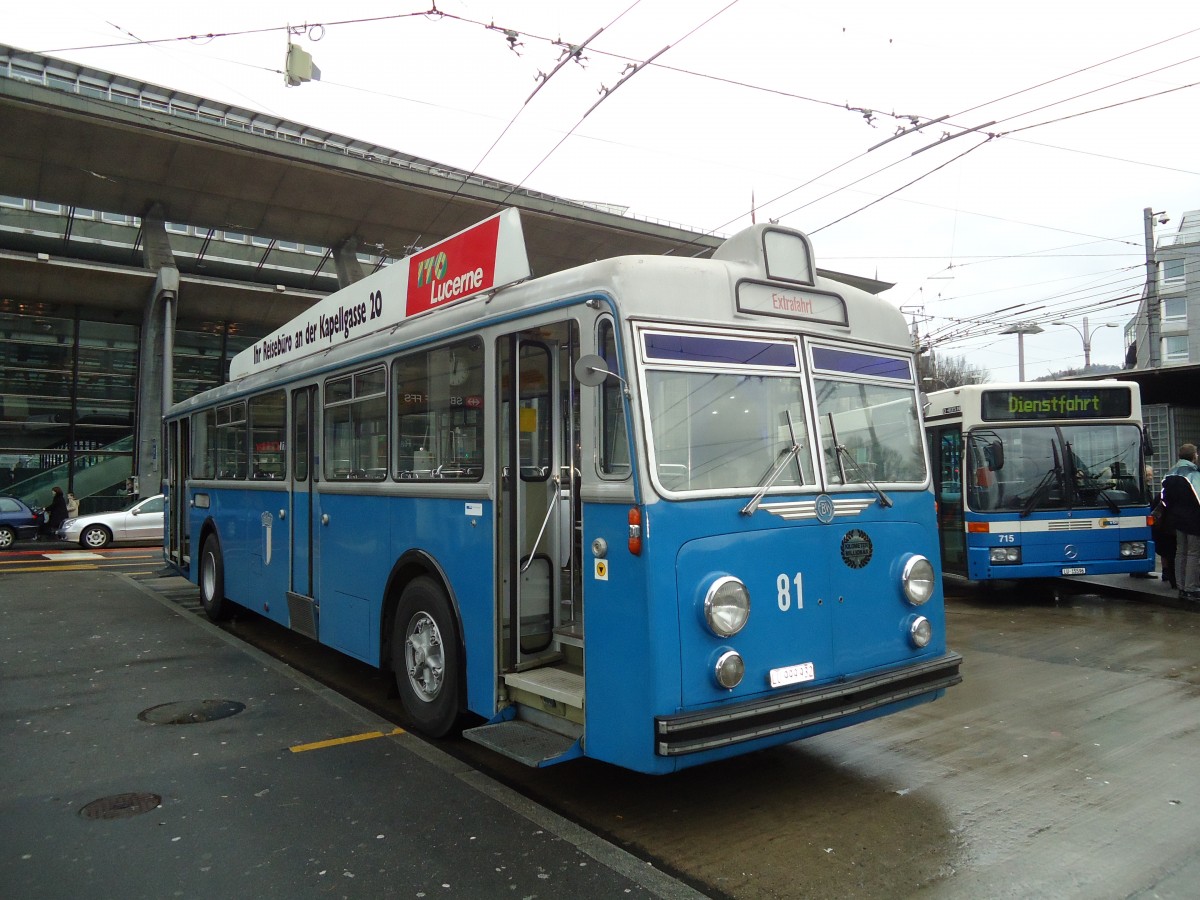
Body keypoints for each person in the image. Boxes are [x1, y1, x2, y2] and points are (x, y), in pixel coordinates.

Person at [1160, 444, 1200, 602]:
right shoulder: (1193, 474)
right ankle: (1192, 588)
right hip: (1193, 520)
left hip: (1176, 519)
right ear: (1193, 456)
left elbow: (1164, 499)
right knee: (1193, 554)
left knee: (1180, 552)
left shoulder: (1169, 474)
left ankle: (1181, 587)